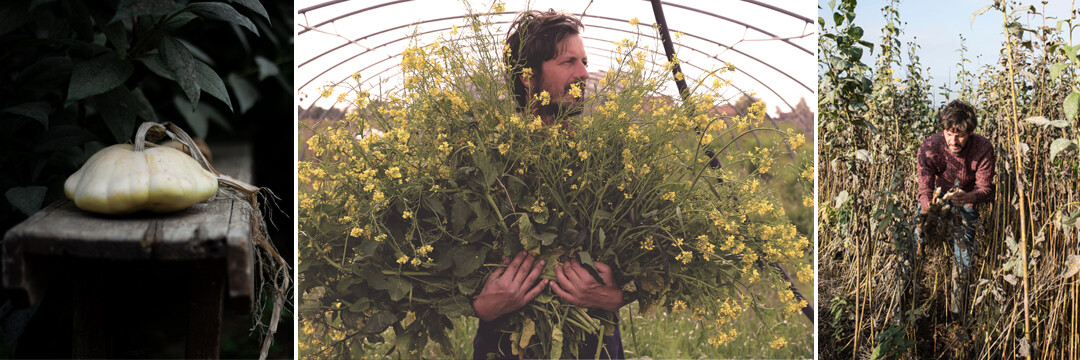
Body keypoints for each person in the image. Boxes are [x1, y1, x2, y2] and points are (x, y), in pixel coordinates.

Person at [470, 10, 629, 359]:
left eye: (584, 61)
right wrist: (480, 304)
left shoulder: (609, 160)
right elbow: (442, 268)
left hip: (594, 347)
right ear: (528, 77)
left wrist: (618, 295)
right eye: (569, 61)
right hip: (505, 347)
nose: (584, 74)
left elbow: (647, 262)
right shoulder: (488, 161)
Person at [914, 99, 995, 318]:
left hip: (966, 198)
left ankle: (957, 313)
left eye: (960, 134)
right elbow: (924, 187)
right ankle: (909, 298)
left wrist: (970, 196)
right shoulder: (931, 146)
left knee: (964, 253)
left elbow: (985, 189)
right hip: (936, 198)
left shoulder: (983, 148)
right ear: (943, 130)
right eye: (949, 133)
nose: (954, 140)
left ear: (971, 132)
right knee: (916, 240)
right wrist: (928, 209)